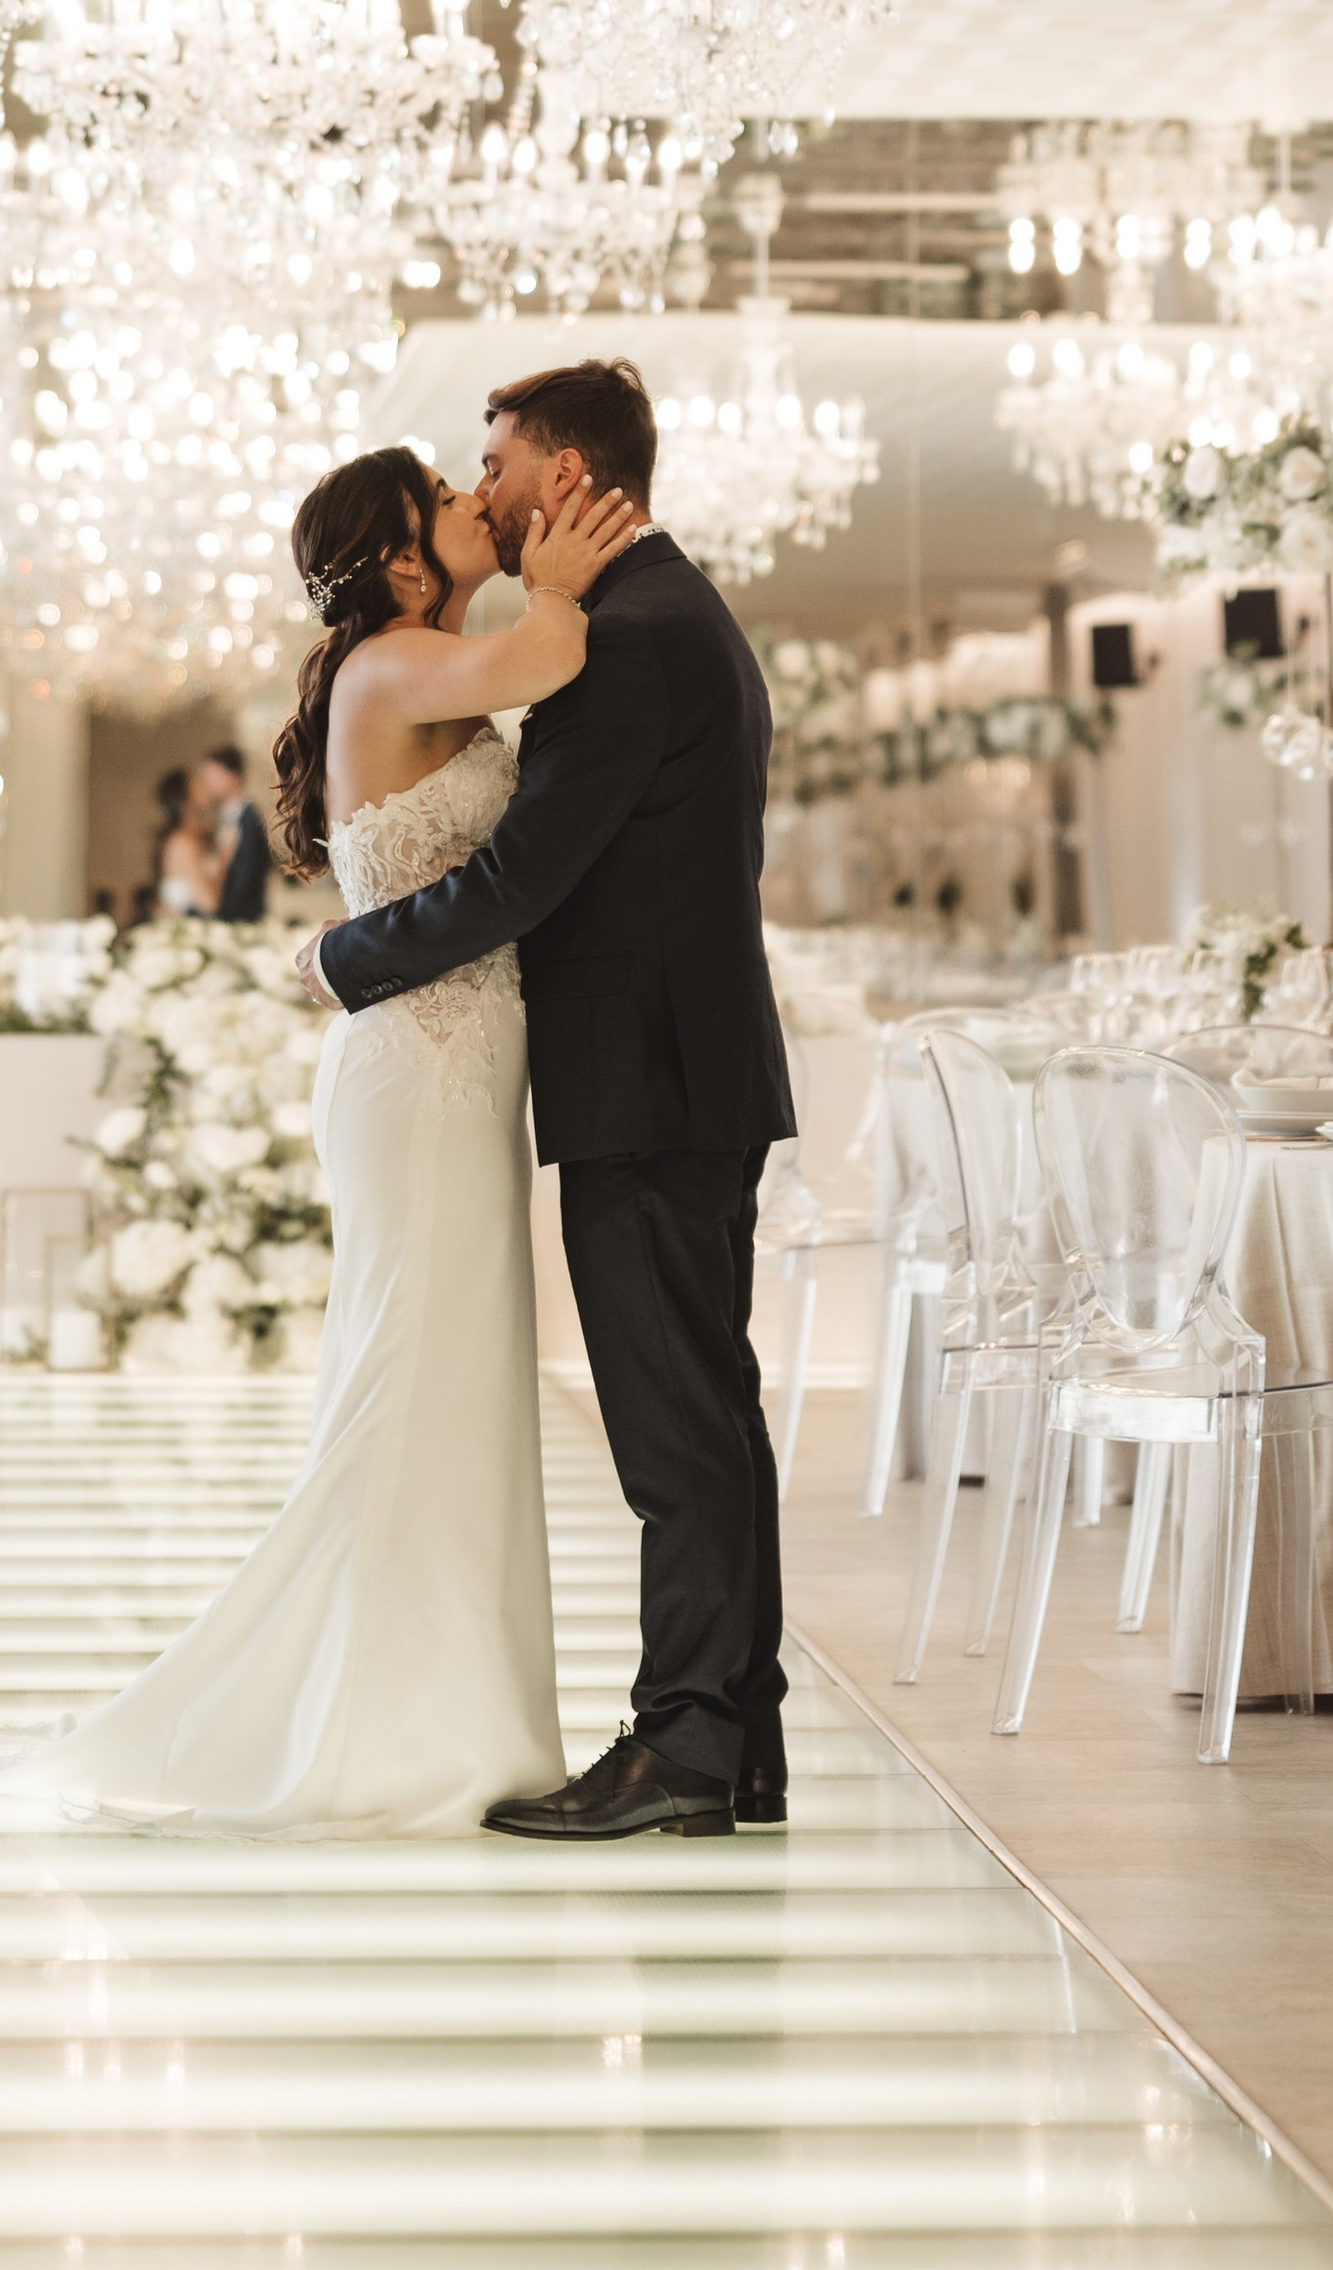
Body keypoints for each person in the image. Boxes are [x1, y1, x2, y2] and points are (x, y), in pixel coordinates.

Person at [0, 444, 640, 1836]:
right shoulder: (390, 664)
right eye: (445, 499)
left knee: (455, 1385)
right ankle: (380, 1725)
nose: (470, 506)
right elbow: (552, 653)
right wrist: (557, 576)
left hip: (447, 1067)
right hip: (421, 1076)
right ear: (394, 560)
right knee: (411, 1383)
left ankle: (445, 1710)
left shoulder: (406, 660)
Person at [300, 358, 792, 1842]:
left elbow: (525, 877)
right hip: (666, 1074)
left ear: (567, 472)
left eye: (497, 459)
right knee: (703, 1415)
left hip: (646, 1084)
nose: (487, 486)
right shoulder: (653, 613)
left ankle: (690, 1747)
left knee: (675, 1430)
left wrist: (343, 957)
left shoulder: (625, 637)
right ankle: (726, 1737)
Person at [196, 744, 272, 922]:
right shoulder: (218, 819)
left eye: (212, 777)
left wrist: (223, 913)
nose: (207, 784)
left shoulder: (250, 820)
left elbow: (248, 877)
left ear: (232, 777)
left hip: (242, 918)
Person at [151, 766, 217, 918]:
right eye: (197, 783)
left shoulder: (197, 837)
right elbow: (209, 903)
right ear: (184, 799)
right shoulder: (182, 843)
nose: (205, 785)